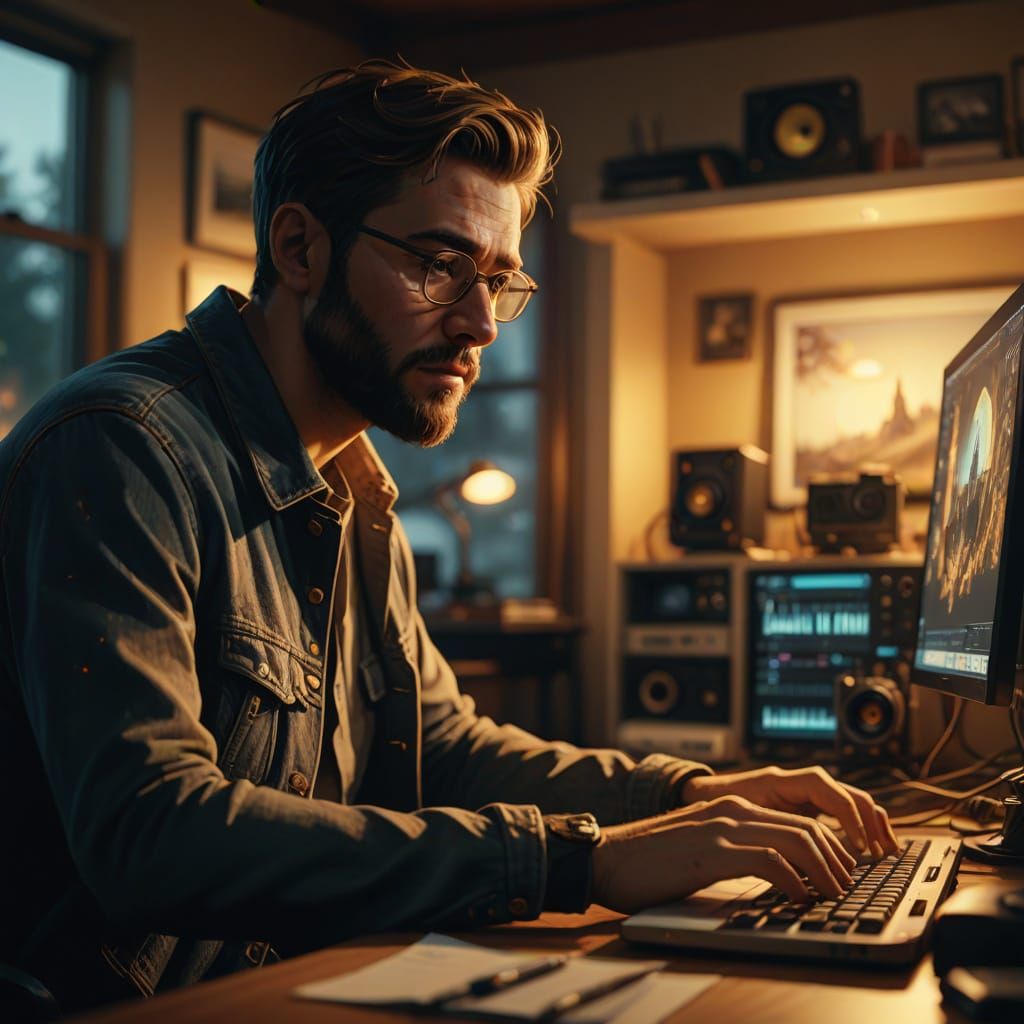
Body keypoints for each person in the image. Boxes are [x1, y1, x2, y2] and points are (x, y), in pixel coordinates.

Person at [0, 60, 898, 1014]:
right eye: (438, 266)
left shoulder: (353, 484)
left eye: (500, 282)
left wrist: (691, 798)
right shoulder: (119, 448)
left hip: (303, 979)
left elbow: (443, 744)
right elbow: (152, 834)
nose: (479, 325)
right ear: (300, 250)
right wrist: (580, 861)